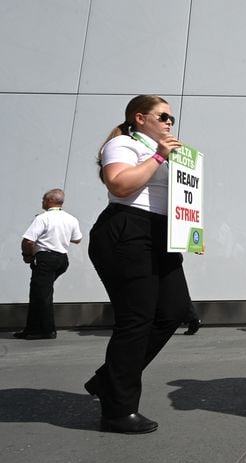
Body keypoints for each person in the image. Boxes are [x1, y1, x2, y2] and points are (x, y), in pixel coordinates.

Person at [84, 95, 192, 434]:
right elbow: (118, 182)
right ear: (139, 118)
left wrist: (190, 231)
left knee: (173, 311)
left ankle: (108, 379)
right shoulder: (123, 144)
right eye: (162, 116)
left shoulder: (169, 150)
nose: (169, 123)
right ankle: (118, 410)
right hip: (127, 228)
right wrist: (160, 155)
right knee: (136, 320)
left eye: (172, 119)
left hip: (161, 232)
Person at [15, 189, 82, 340]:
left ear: (50, 200)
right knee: (43, 293)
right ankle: (33, 329)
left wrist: (27, 255)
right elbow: (77, 239)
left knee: (40, 295)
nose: (42, 202)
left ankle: (44, 330)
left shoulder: (43, 218)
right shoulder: (71, 219)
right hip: (62, 260)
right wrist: (59, 236)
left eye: (43, 200)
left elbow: (28, 240)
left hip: (45, 258)